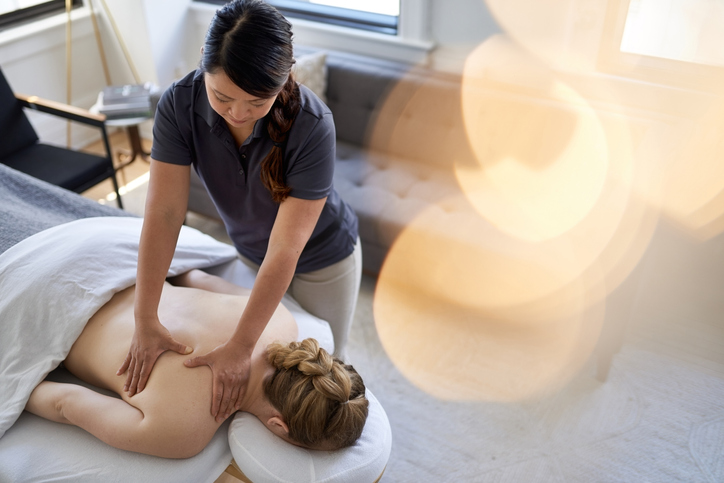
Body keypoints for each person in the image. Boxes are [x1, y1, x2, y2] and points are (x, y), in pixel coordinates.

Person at [120, 0, 361, 424]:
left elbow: (286, 250)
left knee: (320, 366)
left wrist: (239, 347)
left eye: (256, 101)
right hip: (251, 249)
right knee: (271, 362)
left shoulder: (312, 124)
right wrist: (145, 318)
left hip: (326, 258)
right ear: (202, 64)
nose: (237, 113)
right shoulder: (178, 106)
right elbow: (163, 215)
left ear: (285, 77)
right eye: (222, 96)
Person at [25, 269, 368, 458]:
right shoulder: (182, 434)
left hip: (105, 262)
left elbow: (194, 276)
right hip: (42, 301)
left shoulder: (278, 318)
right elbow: (63, 403)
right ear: (280, 426)